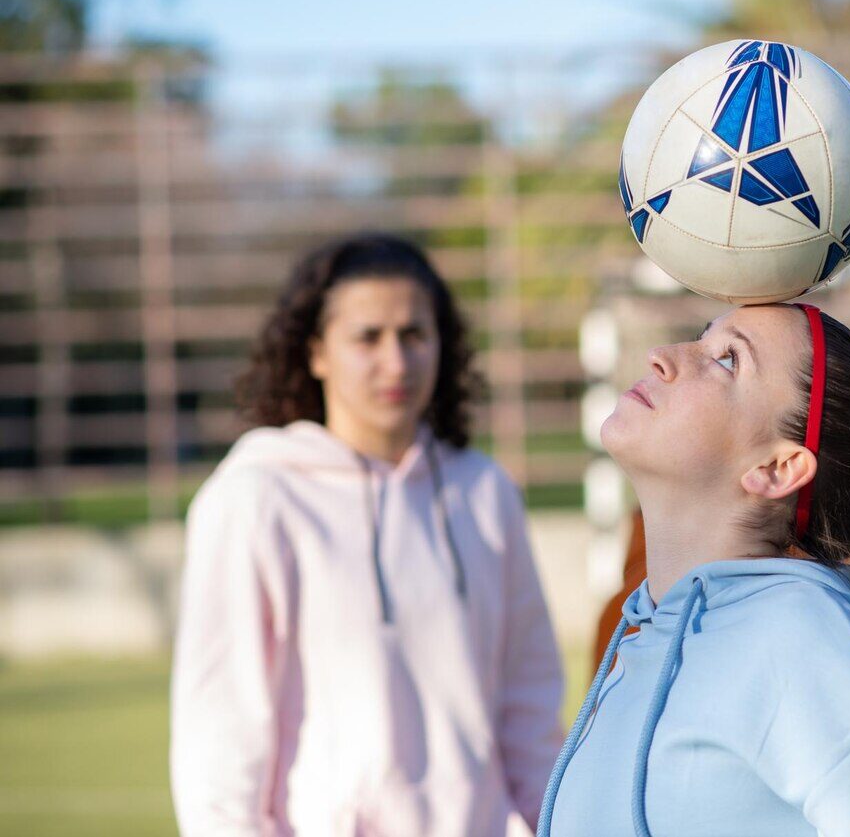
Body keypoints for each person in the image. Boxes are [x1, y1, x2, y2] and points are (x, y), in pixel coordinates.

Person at [539, 302, 850, 837]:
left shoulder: (807, 642)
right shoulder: (645, 635)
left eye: (727, 360)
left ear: (777, 468)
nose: (662, 357)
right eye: (701, 338)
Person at [170, 233, 563, 836]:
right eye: (367, 338)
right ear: (316, 353)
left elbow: (530, 708)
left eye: (414, 335)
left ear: (443, 345)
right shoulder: (255, 499)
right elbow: (221, 735)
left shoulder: (485, 493)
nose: (397, 363)